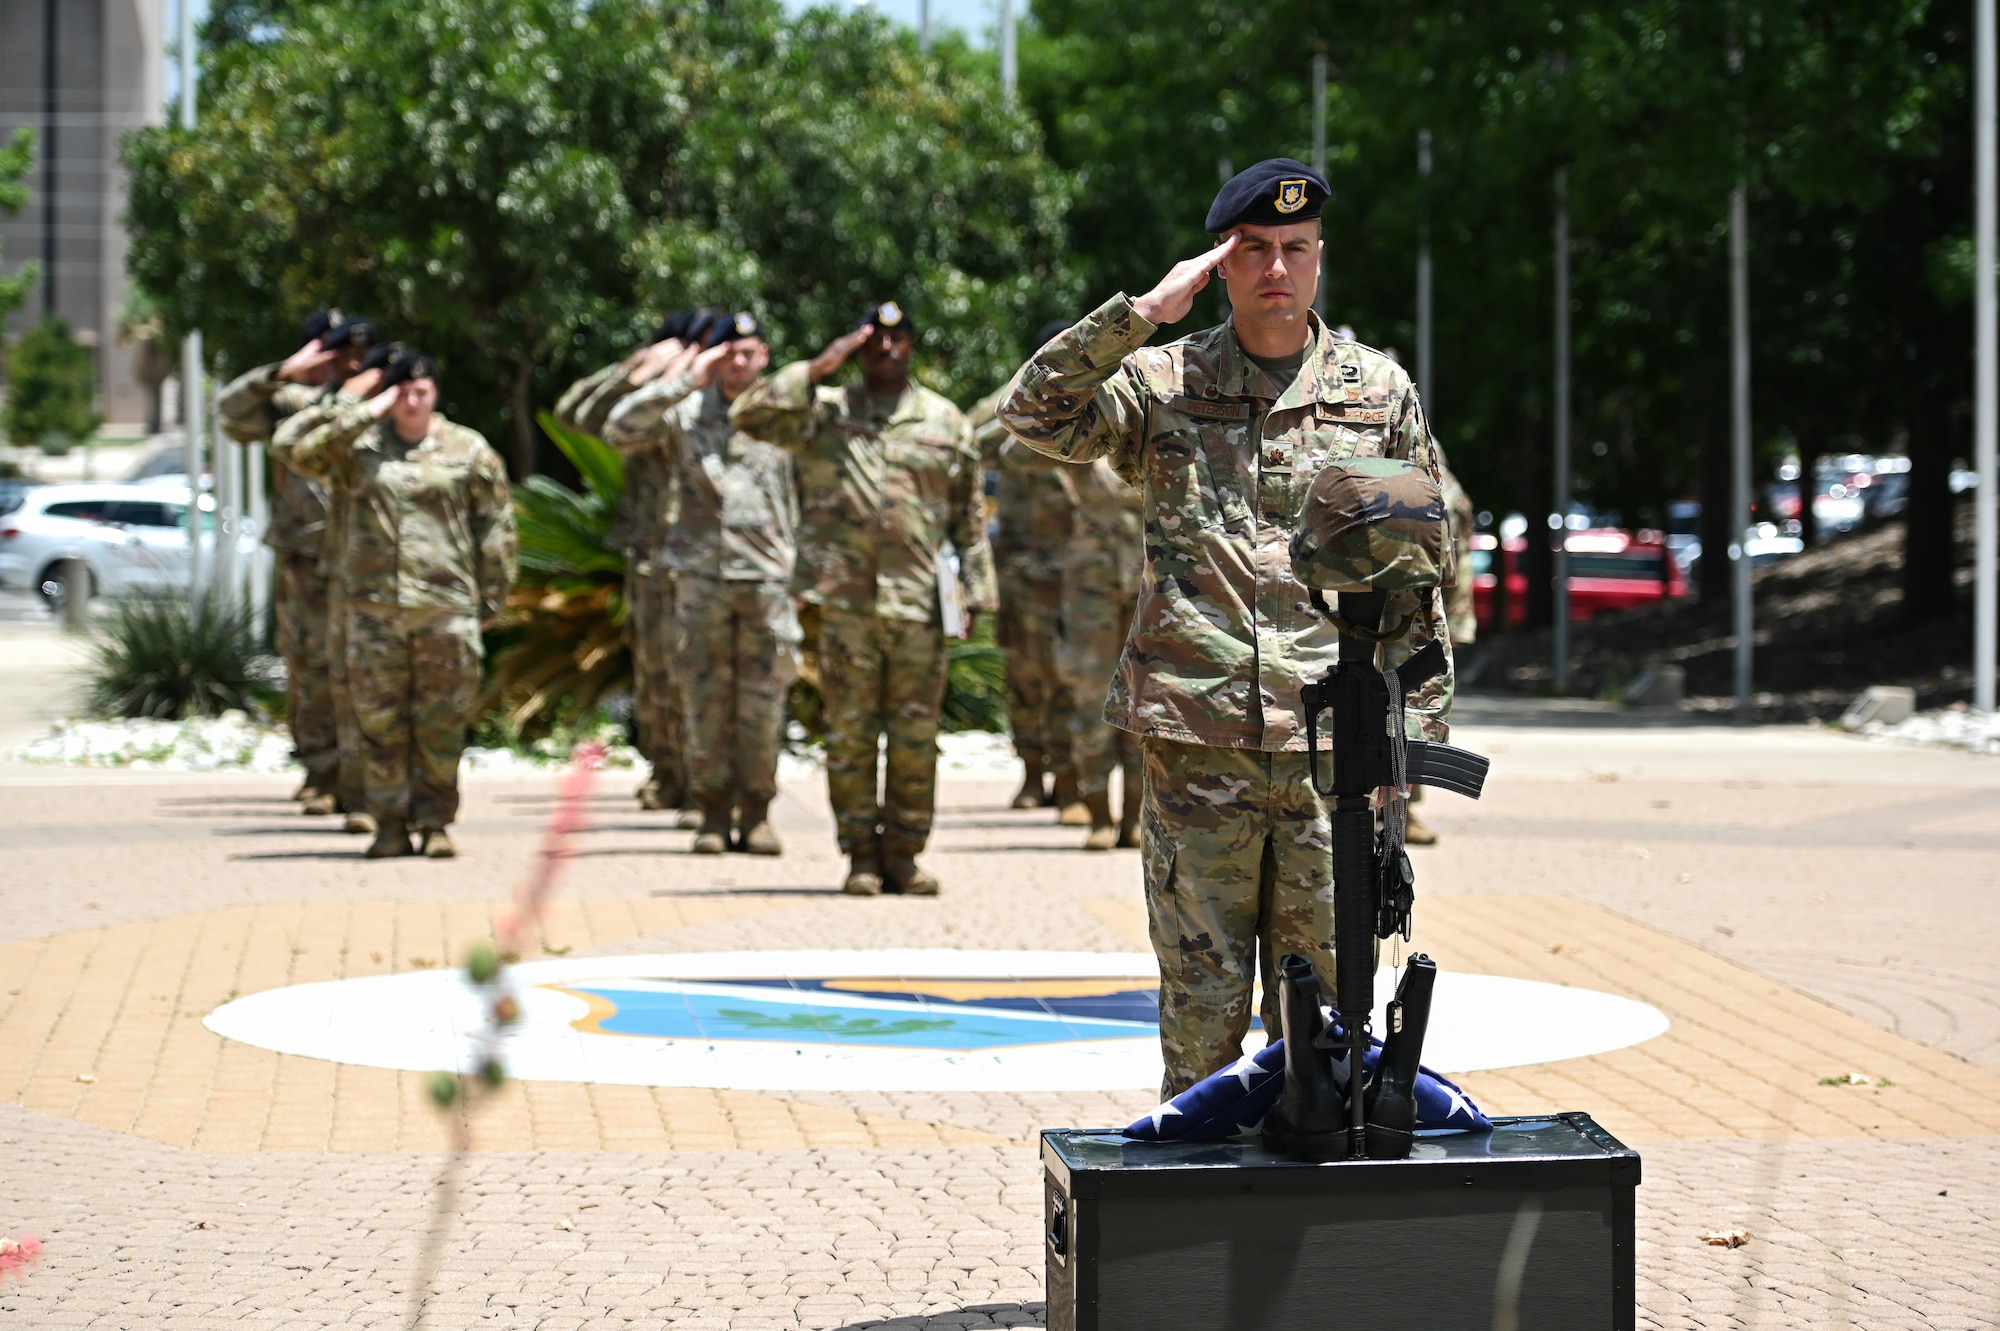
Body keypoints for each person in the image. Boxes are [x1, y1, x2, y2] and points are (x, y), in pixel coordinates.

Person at [999, 160, 1453, 1094]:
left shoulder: (1379, 392)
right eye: (1254, 251)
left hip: (1332, 746)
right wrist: (1139, 315)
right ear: (1222, 262)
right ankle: (1194, 1217)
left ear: (1319, 259)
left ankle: (1323, 1223)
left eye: (1295, 249)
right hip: (1196, 744)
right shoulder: (1164, 381)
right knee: (1200, 1013)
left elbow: (1416, 581)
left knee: (1333, 1019)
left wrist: (1409, 750)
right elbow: (1033, 413)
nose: (1276, 269)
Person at [730, 300, 997, 896]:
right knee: (849, 735)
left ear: (912, 345)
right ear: (859, 345)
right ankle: (860, 856)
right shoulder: (825, 415)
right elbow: (749, 414)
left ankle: (903, 852)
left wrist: (975, 594)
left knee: (914, 738)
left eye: (897, 337)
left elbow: (968, 518)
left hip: (919, 608)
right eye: (874, 339)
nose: (886, 348)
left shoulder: (945, 421)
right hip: (847, 605)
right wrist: (821, 365)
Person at [275, 351, 517, 860]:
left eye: (421, 391)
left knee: (440, 721)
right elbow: (292, 449)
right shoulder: (358, 447)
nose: (412, 400)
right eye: (402, 390)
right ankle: (388, 822)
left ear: (436, 394)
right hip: (374, 609)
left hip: (444, 607)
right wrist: (363, 406)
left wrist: (492, 595)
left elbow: (495, 527)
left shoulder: (468, 450)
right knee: (379, 721)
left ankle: (434, 823)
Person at [606, 311, 799, 856]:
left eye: (750, 352)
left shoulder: (784, 415)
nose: (739, 362)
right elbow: (620, 427)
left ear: (764, 357)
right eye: (729, 353)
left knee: (763, 705)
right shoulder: (684, 413)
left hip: (766, 581)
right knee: (703, 701)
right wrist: (687, 378)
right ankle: (712, 812)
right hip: (699, 581)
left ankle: (758, 812)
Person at [554, 313, 696, 816]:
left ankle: (704, 775)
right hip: (653, 557)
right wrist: (637, 370)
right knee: (657, 670)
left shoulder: (722, 399)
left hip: (710, 561)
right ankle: (668, 770)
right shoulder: (646, 402)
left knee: (701, 669)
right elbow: (578, 415)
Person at [214, 308, 343, 814]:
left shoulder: (376, 397)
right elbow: (230, 414)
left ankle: (360, 774)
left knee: (365, 667)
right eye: (325, 347)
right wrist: (281, 372)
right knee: (310, 664)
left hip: (367, 554)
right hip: (305, 553)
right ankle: (321, 767)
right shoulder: (286, 401)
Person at [969, 338, 1081, 820]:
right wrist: (1020, 392)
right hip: (1019, 565)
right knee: (1024, 675)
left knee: (1073, 676)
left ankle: (1072, 776)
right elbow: (972, 443)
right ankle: (1032, 772)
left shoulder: (1094, 397)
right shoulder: (1008, 402)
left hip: (1079, 567)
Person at [1403, 440, 1477, 847]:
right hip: (1410, 610)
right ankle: (1395, 809)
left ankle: (1404, 808)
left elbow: (1457, 552)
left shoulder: (1433, 474)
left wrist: (1455, 620)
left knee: (1414, 712)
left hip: (1428, 614)